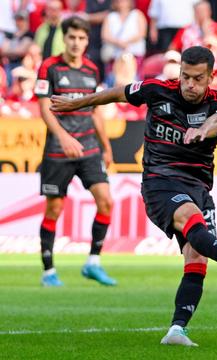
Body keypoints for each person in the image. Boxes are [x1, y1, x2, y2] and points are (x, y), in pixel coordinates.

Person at [49, 45, 217, 346]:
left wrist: (204, 128)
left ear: (210, 77)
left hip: (199, 186)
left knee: (197, 256)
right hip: (160, 181)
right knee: (192, 219)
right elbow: (114, 94)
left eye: (197, 79)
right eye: (185, 77)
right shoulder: (156, 89)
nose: (190, 85)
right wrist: (77, 104)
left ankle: (177, 330)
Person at [34, 16, 117, 287]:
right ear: (64, 38)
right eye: (71, 37)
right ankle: (48, 272)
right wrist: (63, 137)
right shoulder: (50, 67)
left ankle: (93, 262)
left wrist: (106, 147)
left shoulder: (92, 70)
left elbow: (95, 112)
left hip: (89, 148)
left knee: (106, 200)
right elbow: (44, 107)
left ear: (87, 41)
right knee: (54, 209)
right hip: (59, 150)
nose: (76, 43)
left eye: (81, 39)